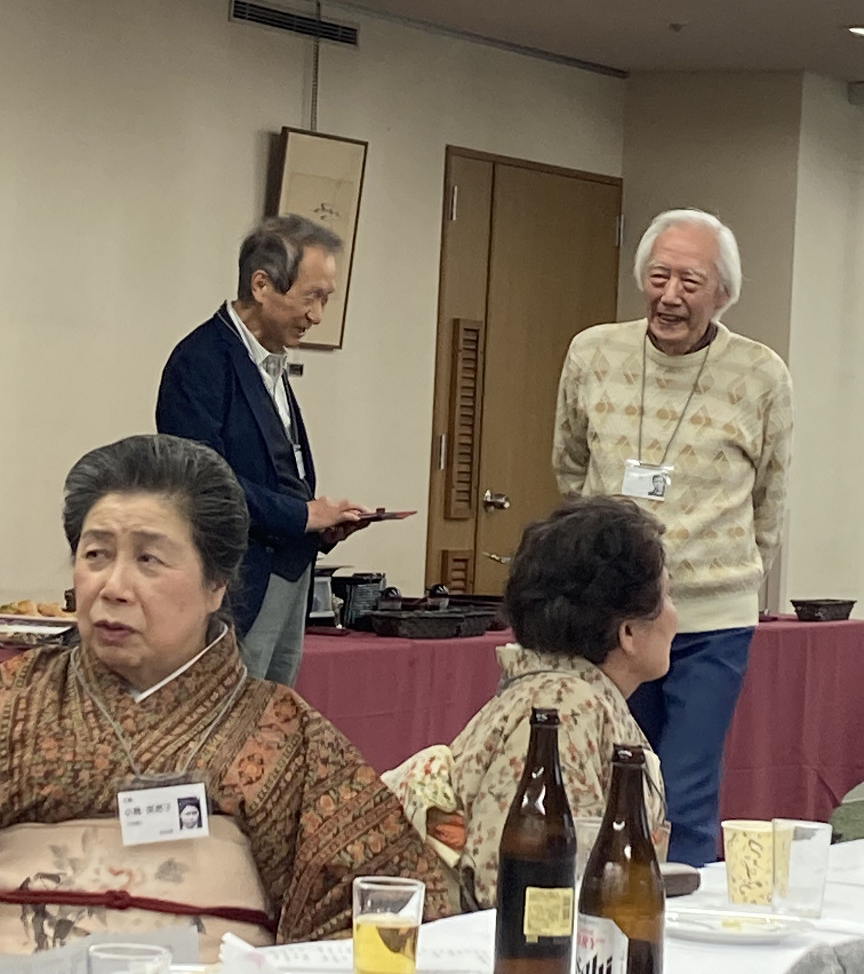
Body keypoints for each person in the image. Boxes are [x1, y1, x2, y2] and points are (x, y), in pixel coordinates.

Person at [0, 435, 450, 958]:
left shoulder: (286, 735)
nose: (113, 586)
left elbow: (395, 906)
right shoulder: (14, 702)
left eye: (148, 558)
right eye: (95, 554)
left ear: (216, 584)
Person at [553, 208, 793, 867]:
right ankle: (604, 915)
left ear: (724, 294)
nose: (669, 296)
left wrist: (726, 573)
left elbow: (770, 498)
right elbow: (570, 466)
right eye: (659, 277)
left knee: (685, 791)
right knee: (608, 781)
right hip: (612, 615)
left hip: (710, 621)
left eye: (690, 281)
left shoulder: (761, 374)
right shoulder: (593, 353)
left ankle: (680, 922)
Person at [383, 496, 675, 909]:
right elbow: (522, 888)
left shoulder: (565, 696)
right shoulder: (565, 709)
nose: (677, 618)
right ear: (628, 633)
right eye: (669, 597)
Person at [156, 215, 368, 687]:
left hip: (290, 573)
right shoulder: (200, 360)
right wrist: (300, 515)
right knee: (228, 719)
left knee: (273, 721)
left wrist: (319, 524)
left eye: (326, 299)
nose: (318, 316)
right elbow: (200, 485)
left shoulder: (268, 361)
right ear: (262, 285)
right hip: (238, 583)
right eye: (312, 297)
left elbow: (276, 470)